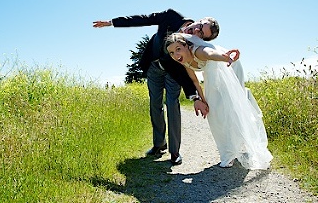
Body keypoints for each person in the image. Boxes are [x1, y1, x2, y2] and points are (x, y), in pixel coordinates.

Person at [93, 9, 219, 165]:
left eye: (201, 34)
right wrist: (111, 22)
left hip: (174, 74)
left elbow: (190, 74)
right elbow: (143, 19)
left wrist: (195, 97)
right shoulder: (171, 16)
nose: (197, 30)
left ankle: (175, 152)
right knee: (155, 105)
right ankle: (159, 145)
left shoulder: (192, 45)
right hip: (153, 67)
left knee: (172, 104)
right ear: (200, 19)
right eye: (201, 25)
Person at [164, 33, 272, 169]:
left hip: (228, 67)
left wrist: (226, 57)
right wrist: (203, 101)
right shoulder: (184, 61)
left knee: (234, 110)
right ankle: (229, 152)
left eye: (178, 49)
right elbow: (194, 81)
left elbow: (211, 54)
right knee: (215, 115)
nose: (175, 54)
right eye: (172, 52)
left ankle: (239, 147)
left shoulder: (199, 51)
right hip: (213, 78)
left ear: (186, 46)